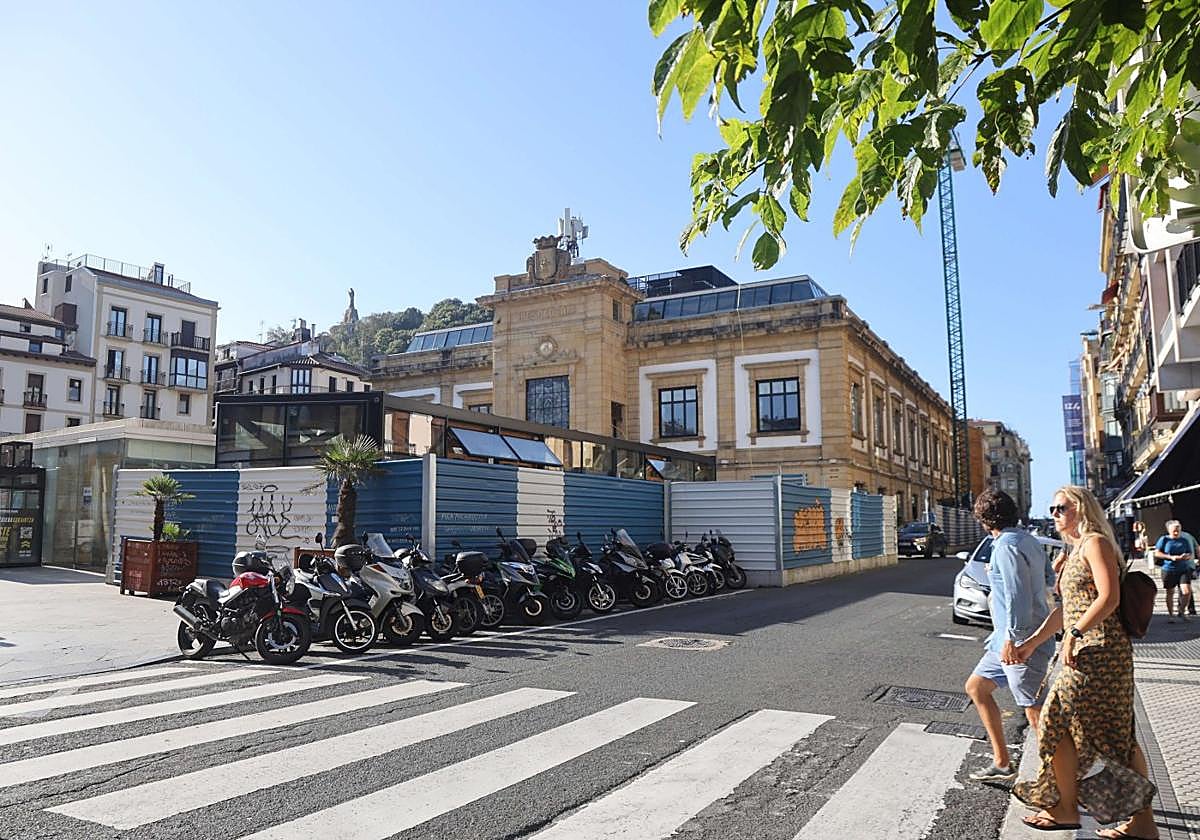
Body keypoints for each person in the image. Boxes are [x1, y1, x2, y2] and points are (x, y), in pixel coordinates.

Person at [1012, 485, 1157, 837]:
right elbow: (1069, 609)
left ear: (1081, 507)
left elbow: (1109, 598)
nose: (1054, 514)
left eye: (1061, 508)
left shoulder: (1095, 543)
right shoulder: (1074, 550)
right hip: (1084, 651)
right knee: (1112, 734)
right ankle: (1141, 823)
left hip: (1101, 651)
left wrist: (1075, 634)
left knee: (1063, 721)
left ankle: (1066, 808)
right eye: (1052, 509)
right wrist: (1032, 644)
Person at [964, 489, 1056, 782]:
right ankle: (1002, 762)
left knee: (1035, 712)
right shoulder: (1028, 540)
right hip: (1004, 640)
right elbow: (1048, 579)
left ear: (984, 519)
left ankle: (1057, 781)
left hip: (1019, 643)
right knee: (977, 687)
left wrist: (1013, 639)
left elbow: (1017, 596)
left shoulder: (1006, 546)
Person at [1154, 520, 1194, 623]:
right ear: (1169, 530)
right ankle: (1171, 615)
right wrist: (1171, 557)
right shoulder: (1164, 539)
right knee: (1170, 592)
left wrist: (1186, 556)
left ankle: (1182, 611)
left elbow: (1190, 553)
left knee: (1186, 591)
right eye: (1174, 530)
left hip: (1183, 569)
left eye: (1178, 529)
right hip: (1169, 569)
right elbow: (1157, 553)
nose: (1176, 532)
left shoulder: (1184, 540)